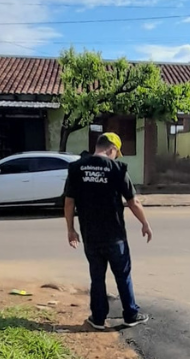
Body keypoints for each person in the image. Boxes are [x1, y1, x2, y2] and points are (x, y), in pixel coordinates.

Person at [63, 132, 153, 330]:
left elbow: (69, 202)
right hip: (115, 235)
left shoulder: (76, 168)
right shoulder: (117, 169)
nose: (116, 156)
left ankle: (98, 318)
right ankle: (130, 315)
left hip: (90, 235)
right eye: (116, 153)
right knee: (123, 275)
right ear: (112, 149)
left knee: (97, 277)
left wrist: (71, 230)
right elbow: (133, 202)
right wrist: (144, 223)